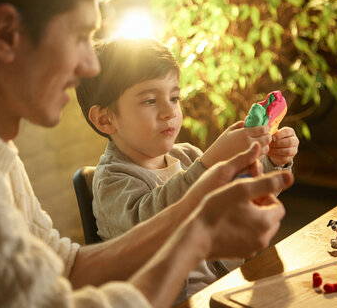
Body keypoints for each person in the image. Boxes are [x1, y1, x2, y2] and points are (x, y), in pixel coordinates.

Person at [0, 0, 294, 308]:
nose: (90, 66)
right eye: (81, 35)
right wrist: (196, 236)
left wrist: (202, 206)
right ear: (6, 34)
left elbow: (68, 268)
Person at [75, 38, 299, 300]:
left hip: (224, 288)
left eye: (174, 97)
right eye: (149, 100)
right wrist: (210, 165)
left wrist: (271, 161)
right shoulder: (111, 181)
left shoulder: (188, 155)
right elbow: (153, 225)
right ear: (106, 119)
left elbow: (244, 198)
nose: (169, 111)